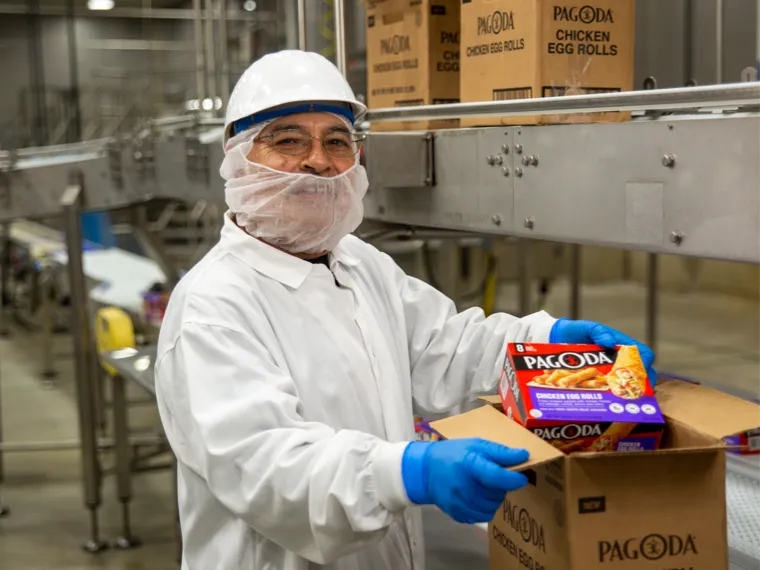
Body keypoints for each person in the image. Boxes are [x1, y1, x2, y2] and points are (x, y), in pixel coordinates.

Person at [154, 50, 656, 570]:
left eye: (337, 141)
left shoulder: (360, 264)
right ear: (238, 157)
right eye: (287, 139)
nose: (319, 160)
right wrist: (408, 472)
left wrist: (547, 346)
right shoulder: (212, 306)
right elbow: (266, 468)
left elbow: (446, 348)